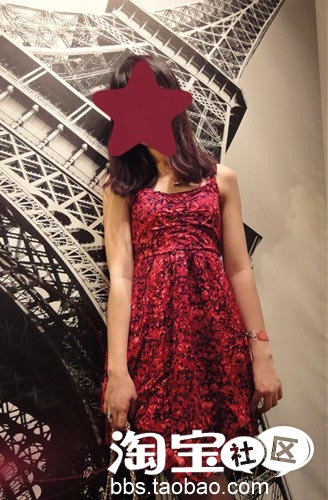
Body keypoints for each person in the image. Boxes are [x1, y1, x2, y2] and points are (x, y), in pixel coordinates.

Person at [100, 54, 283, 499]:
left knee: (205, 471)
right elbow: (121, 279)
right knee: (189, 475)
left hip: (214, 340)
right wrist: (118, 371)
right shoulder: (121, 189)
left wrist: (261, 353)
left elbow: (239, 269)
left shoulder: (222, 180)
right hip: (156, 343)